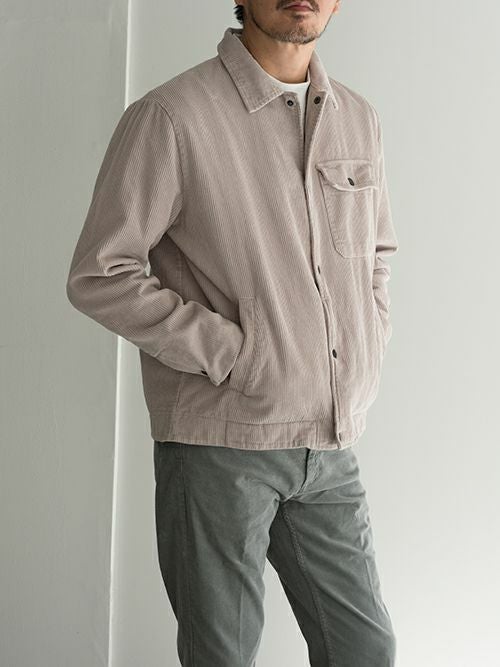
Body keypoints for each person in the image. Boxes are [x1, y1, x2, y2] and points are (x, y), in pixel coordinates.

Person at [66, 1, 399, 664]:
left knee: (365, 648)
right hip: (219, 444)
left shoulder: (357, 117)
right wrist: (235, 356)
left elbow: (376, 254)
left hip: (330, 442)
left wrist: (366, 339)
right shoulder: (172, 117)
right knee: (223, 654)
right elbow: (101, 274)